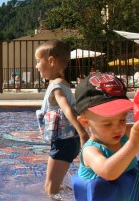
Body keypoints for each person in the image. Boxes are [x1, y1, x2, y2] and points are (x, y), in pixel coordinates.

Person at [74, 72, 139, 200]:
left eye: (122, 119)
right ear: (85, 122)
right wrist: (134, 144)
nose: (118, 128)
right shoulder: (91, 150)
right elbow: (109, 173)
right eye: (107, 124)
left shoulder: (124, 133)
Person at [34, 39, 89, 195]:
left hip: (64, 142)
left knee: (50, 188)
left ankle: (75, 195)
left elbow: (67, 110)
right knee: (53, 185)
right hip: (67, 141)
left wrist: (83, 133)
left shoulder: (57, 87)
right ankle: (68, 193)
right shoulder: (62, 83)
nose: (37, 65)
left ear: (51, 61)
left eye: (39, 61)